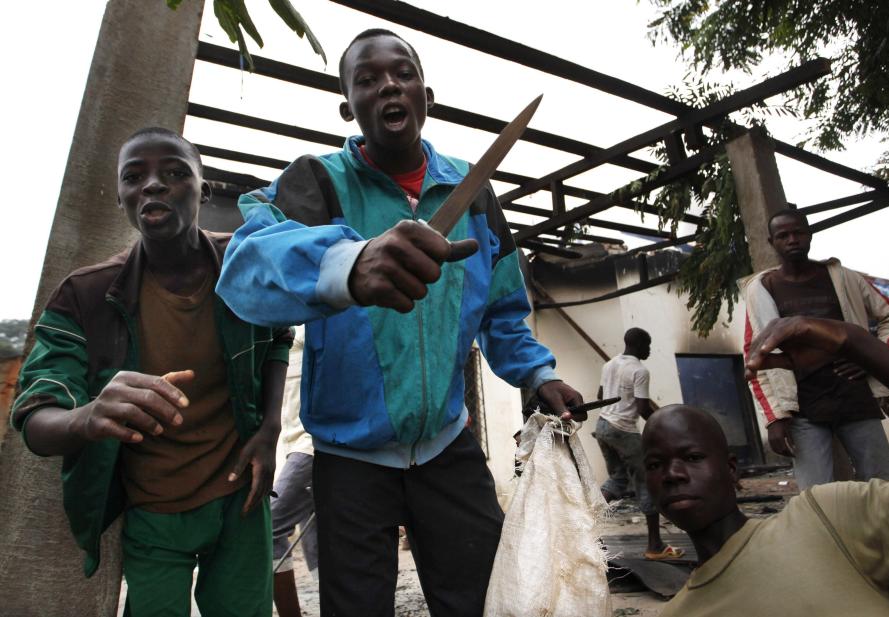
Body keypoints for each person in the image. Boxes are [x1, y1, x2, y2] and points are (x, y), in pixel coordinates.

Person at [215, 29, 584, 617]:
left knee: (486, 602)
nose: (388, 84)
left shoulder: (476, 195)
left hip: (447, 447)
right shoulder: (317, 181)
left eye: (402, 73)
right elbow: (243, 270)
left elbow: (505, 312)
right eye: (367, 79)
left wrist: (537, 376)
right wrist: (348, 264)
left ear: (426, 96)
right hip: (348, 460)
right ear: (348, 106)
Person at [11, 128, 291, 616]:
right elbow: (35, 415)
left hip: (239, 499)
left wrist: (270, 427)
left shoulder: (244, 263)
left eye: (175, 173)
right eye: (134, 176)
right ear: (122, 196)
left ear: (203, 191)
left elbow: (279, 336)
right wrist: (88, 416)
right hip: (153, 511)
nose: (154, 185)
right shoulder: (86, 297)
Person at [643, 315, 889, 616]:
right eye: (656, 464)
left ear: (731, 468)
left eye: (693, 457)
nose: (672, 475)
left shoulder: (829, 516)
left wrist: (856, 344)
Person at [742, 208, 889, 489]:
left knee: (882, 488)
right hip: (803, 406)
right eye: (783, 235)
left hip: (854, 395)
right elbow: (754, 354)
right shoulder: (761, 289)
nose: (792, 239)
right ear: (772, 242)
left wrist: (871, 359)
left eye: (798, 232)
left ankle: (884, 535)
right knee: (817, 496)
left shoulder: (843, 278)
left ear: (810, 236)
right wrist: (774, 418)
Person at [596, 328, 679, 560]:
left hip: (602, 426)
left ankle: (584, 523)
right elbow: (642, 409)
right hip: (623, 430)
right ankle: (655, 546)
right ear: (639, 344)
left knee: (617, 479)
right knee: (647, 483)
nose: (649, 350)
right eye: (648, 345)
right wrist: (665, 425)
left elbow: (601, 394)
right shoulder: (640, 370)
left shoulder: (609, 365)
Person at [271, 326, 318, 617]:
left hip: (311, 445)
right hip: (292, 444)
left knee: (268, 528)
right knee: (316, 539)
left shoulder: (312, 317)